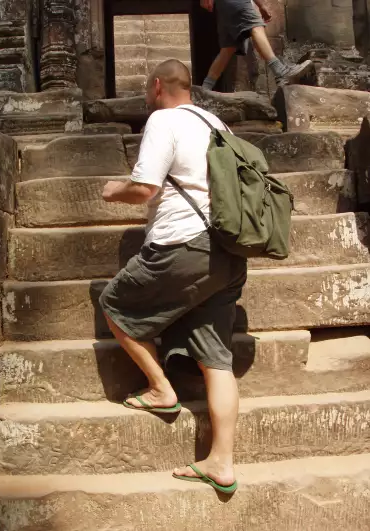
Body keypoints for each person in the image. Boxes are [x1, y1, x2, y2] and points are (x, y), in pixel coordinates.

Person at [100, 59, 247, 494]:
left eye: (148, 89)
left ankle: (161, 388)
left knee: (115, 304)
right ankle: (222, 461)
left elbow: (145, 187)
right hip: (228, 253)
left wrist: (112, 191)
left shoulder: (163, 120)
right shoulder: (217, 123)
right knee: (217, 360)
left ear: (157, 85)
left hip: (183, 245)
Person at [201, 0, 313, 90]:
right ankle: (280, 71)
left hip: (223, 5)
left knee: (228, 48)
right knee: (255, 26)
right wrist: (261, 6)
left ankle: (205, 88)